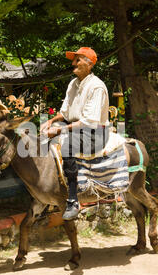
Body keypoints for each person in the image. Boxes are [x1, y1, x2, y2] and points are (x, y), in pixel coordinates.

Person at [40, 47, 110, 220]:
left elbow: (88, 122)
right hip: (76, 126)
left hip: (95, 133)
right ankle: (49, 190)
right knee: (40, 137)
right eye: (74, 60)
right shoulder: (73, 83)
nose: (73, 63)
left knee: (68, 145)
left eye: (77, 60)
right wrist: (50, 121)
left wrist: (58, 130)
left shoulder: (97, 87)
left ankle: (73, 200)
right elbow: (65, 113)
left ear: (89, 64)